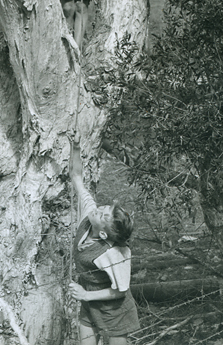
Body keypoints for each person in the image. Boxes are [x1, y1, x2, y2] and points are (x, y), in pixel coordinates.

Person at [68, 142, 140, 345]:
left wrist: (85, 295)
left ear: (102, 233)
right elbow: (76, 176)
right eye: (103, 208)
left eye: (102, 215)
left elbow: (120, 290)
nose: (97, 209)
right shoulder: (88, 218)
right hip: (90, 305)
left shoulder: (114, 253)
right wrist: (75, 148)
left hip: (115, 310)